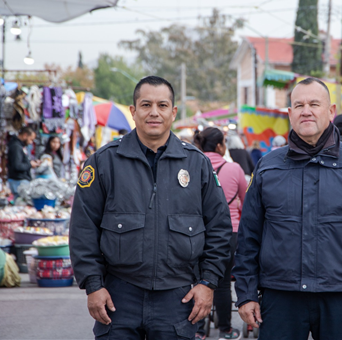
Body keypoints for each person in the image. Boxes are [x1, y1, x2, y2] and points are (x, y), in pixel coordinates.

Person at [233, 77, 342, 340]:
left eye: (314, 104)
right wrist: (246, 294)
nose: (306, 110)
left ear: (331, 111)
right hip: (280, 297)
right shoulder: (268, 166)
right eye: (298, 105)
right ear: (290, 114)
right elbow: (249, 237)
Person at [70, 76, 232, 340]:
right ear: (134, 111)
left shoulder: (197, 164)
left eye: (162, 105)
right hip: (118, 296)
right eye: (146, 105)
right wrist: (93, 285)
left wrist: (208, 282)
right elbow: (83, 227)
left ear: (173, 112)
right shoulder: (104, 162)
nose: (154, 112)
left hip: (177, 297)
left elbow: (219, 227)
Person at [193, 127, 246, 340]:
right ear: (219, 146)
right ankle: (225, 329)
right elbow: (246, 201)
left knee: (197, 280)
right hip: (229, 233)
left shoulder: (192, 164)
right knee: (223, 284)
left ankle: (198, 330)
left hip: (197, 233)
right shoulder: (234, 169)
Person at [7, 126, 40, 195]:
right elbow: (17, 166)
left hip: (20, 181)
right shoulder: (16, 146)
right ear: (25, 135)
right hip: (18, 181)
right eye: (31, 139)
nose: (31, 142)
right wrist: (30, 164)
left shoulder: (20, 146)